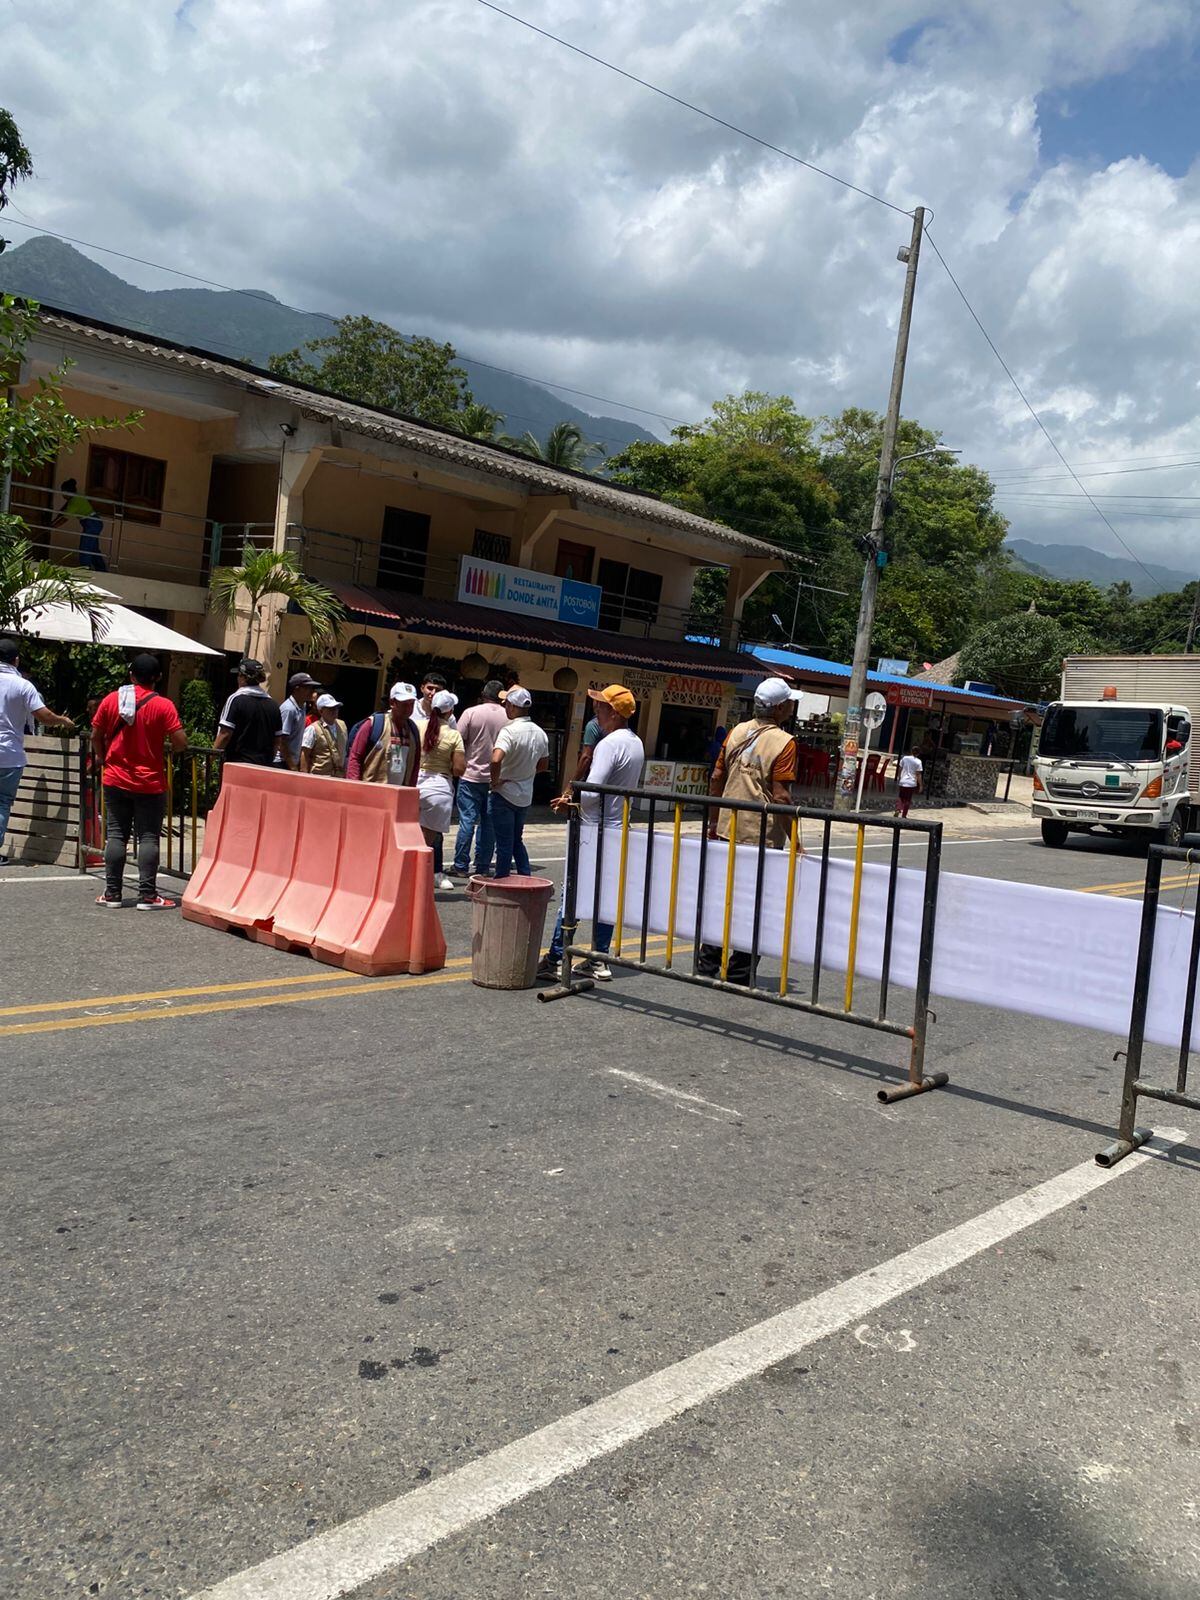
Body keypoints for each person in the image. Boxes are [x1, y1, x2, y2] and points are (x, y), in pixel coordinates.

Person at [697, 677, 802, 987]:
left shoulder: (736, 732)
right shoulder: (784, 742)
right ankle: (741, 971)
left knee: (725, 897)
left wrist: (714, 820)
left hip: (729, 827)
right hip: (761, 835)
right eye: (790, 703)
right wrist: (796, 841)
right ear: (781, 707)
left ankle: (707, 963)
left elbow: (716, 777)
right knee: (756, 904)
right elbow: (781, 796)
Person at [537, 685, 644, 984]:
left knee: (573, 892)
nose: (595, 709)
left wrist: (570, 801)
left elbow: (593, 790)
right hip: (616, 828)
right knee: (604, 896)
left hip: (594, 829)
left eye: (600, 706)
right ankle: (599, 958)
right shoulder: (635, 743)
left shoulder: (609, 744)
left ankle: (557, 957)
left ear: (613, 711)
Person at [91, 653, 189, 909]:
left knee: (116, 835)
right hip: (149, 782)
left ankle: (112, 893)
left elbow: (95, 735)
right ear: (157, 678)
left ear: (130, 675)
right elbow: (181, 743)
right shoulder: (164, 705)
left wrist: (102, 758)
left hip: (114, 778)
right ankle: (147, 896)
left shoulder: (112, 700)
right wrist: (162, 746)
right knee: (148, 837)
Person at [0, 637, 75, 864]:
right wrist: (63, 720)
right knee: (2, 802)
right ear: (16, 660)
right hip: (9, 755)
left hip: (10, 755)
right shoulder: (23, 685)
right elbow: (43, 716)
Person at [489, 684, 548, 878]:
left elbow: (496, 758)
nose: (505, 708)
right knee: (516, 841)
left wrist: (495, 780)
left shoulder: (509, 731)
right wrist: (527, 772)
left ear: (513, 707)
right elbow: (543, 766)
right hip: (525, 794)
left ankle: (502, 881)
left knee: (504, 844)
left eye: (506, 704)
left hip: (504, 793)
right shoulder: (540, 733)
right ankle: (525, 876)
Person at [451, 679, 507, 878]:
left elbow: (457, 740)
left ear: (483, 694)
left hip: (471, 776)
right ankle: (483, 865)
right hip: (495, 778)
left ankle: (460, 865)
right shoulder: (508, 717)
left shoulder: (471, 713)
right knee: (488, 823)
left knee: (467, 820)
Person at [418, 689, 466, 890]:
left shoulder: (417, 726)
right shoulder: (454, 735)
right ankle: (420, 884)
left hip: (415, 786)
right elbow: (458, 769)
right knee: (427, 844)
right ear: (450, 711)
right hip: (439, 790)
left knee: (411, 839)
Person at [346, 682, 422, 785]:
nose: (408, 709)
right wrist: (353, 787)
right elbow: (355, 757)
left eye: (411, 704)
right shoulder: (374, 724)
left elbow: (415, 765)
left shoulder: (413, 731)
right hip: (373, 792)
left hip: (400, 794)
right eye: (404, 704)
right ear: (392, 703)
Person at [214, 659, 283, 766]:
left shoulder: (236, 700)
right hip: (264, 768)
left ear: (243, 678)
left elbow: (225, 735)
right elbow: (277, 741)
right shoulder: (273, 705)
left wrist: (210, 760)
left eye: (238, 675)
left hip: (237, 766)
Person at [51, 477, 107, 571]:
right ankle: (101, 570)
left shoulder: (74, 503)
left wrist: (53, 526)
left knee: (85, 548)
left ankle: (85, 570)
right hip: (94, 522)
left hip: (91, 523)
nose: (62, 495)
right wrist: (53, 522)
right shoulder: (75, 498)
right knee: (93, 549)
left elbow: (64, 518)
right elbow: (62, 512)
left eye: (63, 492)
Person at [277, 672, 319, 769]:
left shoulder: (303, 705)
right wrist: (292, 766)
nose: (311, 691)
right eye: (307, 688)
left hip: (291, 762)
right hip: (282, 763)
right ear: (297, 689)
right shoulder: (289, 709)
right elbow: (282, 741)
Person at [300, 693, 348, 776]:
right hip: (319, 777)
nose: (334, 711)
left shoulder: (342, 726)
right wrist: (304, 776)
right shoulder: (313, 729)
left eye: (336, 708)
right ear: (321, 711)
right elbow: (305, 754)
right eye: (330, 709)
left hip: (339, 777)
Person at [895, 746, 923, 818]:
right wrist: (920, 785)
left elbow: (900, 768)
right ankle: (904, 815)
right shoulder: (918, 762)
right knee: (908, 799)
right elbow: (918, 774)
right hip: (911, 783)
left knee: (901, 797)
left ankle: (898, 809)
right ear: (918, 753)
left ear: (911, 751)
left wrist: (899, 777)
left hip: (903, 781)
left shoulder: (905, 758)